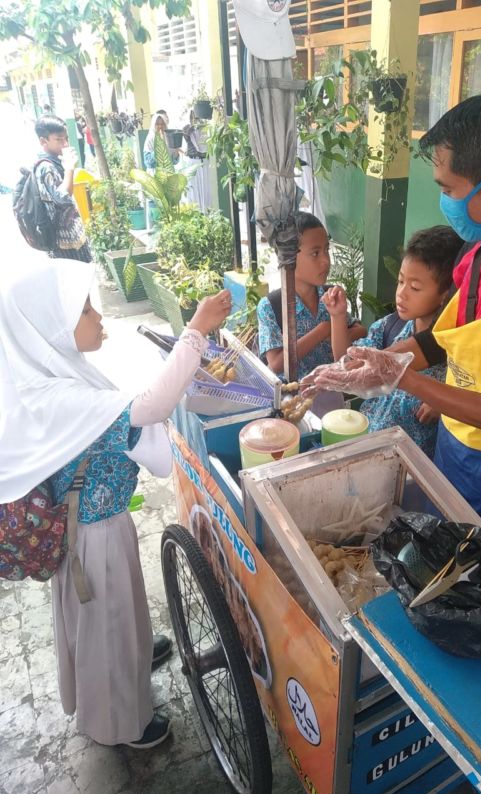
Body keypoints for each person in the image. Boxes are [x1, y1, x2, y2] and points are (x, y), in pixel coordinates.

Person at [307, 94, 481, 551]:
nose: (445, 203)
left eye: (449, 189)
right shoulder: (476, 255)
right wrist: (370, 364)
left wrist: (402, 378)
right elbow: (441, 343)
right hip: (452, 451)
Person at [0, 257, 232, 747]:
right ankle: (118, 725)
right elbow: (149, 406)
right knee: (105, 624)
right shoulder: (56, 397)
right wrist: (194, 332)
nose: (98, 316)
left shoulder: (57, 376)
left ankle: (136, 653)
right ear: (51, 330)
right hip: (92, 536)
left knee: (118, 612)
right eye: (84, 310)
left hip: (100, 525)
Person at [323, 226, 463, 458]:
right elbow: (348, 365)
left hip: (408, 468)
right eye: (400, 281)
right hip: (364, 450)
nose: (402, 293)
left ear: (445, 294)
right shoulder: (390, 327)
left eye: (415, 287)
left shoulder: (457, 357)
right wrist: (338, 316)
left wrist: (444, 405)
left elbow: (477, 406)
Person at [257, 212, 366, 381]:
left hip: (331, 390)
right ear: (289, 257)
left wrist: (337, 329)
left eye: (326, 250)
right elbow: (277, 363)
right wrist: (324, 330)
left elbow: (360, 330)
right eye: (315, 253)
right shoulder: (272, 306)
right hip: (294, 394)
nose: (326, 261)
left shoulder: (330, 296)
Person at [33, 114, 92, 262]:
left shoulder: (56, 161)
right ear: (43, 141)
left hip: (71, 236)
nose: (65, 143)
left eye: (66, 138)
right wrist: (69, 168)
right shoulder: (46, 167)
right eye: (59, 139)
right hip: (63, 241)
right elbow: (63, 197)